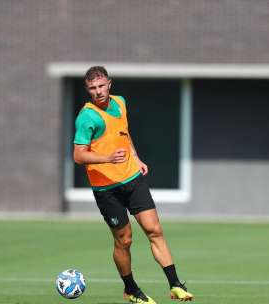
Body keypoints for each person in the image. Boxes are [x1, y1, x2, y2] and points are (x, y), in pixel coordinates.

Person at [73, 66, 194, 303]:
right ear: (88, 90)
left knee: (154, 230)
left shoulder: (120, 102)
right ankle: (130, 289)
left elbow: (123, 134)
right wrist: (107, 158)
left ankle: (175, 285)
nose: (98, 91)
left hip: (132, 179)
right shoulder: (86, 117)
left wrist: (135, 158)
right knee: (124, 240)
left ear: (110, 83)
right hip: (106, 188)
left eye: (101, 86)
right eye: (92, 88)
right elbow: (79, 155)